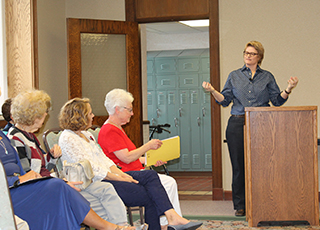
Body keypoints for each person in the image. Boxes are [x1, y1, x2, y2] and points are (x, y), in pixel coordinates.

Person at [58, 97, 202, 230]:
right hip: (98, 181)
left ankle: (172, 217)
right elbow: (91, 169)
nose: (93, 115)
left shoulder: (87, 135)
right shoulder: (67, 137)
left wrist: (121, 174)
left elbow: (104, 160)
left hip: (111, 175)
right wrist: (119, 177)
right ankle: (169, 220)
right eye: (89, 113)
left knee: (150, 175)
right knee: (151, 194)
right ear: (79, 116)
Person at [0, 88, 134, 230]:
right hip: (27, 189)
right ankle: (113, 227)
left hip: (39, 184)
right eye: (44, 112)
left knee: (90, 196)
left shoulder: (29, 138)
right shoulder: (15, 138)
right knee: (67, 193)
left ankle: (116, 226)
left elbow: (40, 169)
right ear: (35, 115)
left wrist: (51, 158)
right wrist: (60, 181)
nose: (46, 114)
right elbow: (28, 173)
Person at [202, 41, 299, 216]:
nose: (248, 56)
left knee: (263, 165)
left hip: (262, 123)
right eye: (246, 53)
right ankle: (240, 205)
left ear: (259, 57)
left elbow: (277, 101)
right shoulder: (234, 75)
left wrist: (289, 88)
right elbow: (224, 100)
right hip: (237, 123)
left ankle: (264, 200)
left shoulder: (267, 76)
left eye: (252, 53)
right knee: (239, 166)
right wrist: (213, 90)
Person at [98, 88, 182, 227]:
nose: (132, 113)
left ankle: (169, 222)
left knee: (169, 183)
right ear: (117, 109)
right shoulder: (109, 131)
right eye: (129, 110)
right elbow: (126, 158)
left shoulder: (117, 128)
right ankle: (169, 222)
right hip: (125, 175)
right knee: (168, 183)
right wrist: (148, 146)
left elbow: (133, 157)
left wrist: (153, 159)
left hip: (135, 171)